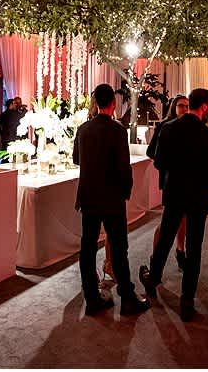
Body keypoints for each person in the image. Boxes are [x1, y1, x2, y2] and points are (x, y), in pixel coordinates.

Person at [139, 88, 208, 322]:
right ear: (204, 106)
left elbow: (159, 162)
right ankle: (187, 300)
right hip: (198, 195)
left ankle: (153, 279)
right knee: (194, 247)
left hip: (175, 191)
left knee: (166, 237)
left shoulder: (169, 128)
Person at [73, 84, 150, 316]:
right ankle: (127, 297)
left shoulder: (83, 129)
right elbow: (124, 167)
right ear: (113, 104)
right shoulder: (117, 130)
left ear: (95, 102)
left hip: (89, 196)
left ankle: (92, 299)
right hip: (112, 197)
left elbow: (76, 159)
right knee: (119, 248)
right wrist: (126, 191)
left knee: (88, 248)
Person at [146, 95, 190, 272]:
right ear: (174, 107)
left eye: (187, 106)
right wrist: (168, 163)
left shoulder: (189, 126)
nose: (184, 109)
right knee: (167, 221)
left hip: (184, 180)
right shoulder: (165, 126)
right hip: (169, 180)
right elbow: (152, 152)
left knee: (183, 218)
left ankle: (180, 250)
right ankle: (156, 255)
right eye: (181, 105)